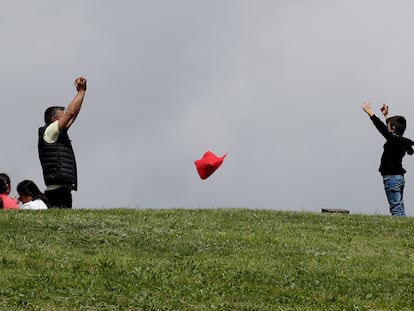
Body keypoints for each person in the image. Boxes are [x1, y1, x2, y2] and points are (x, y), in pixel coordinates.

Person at [38, 77, 87, 208]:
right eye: (62, 116)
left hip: (62, 189)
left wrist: (83, 93)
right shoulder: (50, 130)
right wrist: (80, 92)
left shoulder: (57, 132)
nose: (66, 117)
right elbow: (71, 113)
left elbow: (73, 114)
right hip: (56, 191)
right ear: (54, 119)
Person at [362, 102, 414, 216]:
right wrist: (386, 115)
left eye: (389, 125)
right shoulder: (403, 141)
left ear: (393, 128)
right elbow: (390, 129)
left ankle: (400, 230)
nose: (387, 126)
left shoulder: (392, 140)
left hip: (391, 178)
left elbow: (381, 126)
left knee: (396, 207)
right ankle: (402, 225)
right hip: (399, 178)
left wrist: (369, 111)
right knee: (399, 204)